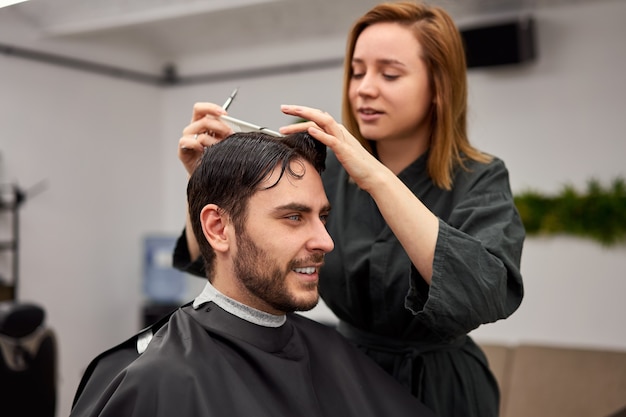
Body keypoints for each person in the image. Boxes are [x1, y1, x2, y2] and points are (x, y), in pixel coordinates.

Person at [174, 2, 525, 416]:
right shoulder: (327, 171)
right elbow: (223, 251)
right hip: (345, 376)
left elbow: (484, 294)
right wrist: (204, 178)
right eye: (357, 72)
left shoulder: (480, 178)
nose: (364, 88)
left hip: (444, 393)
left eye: (389, 74)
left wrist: (376, 178)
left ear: (439, 87)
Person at [69, 132, 436, 417]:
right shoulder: (159, 378)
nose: (326, 241)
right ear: (218, 228)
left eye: (322, 217)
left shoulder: (333, 354)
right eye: (294, 217)